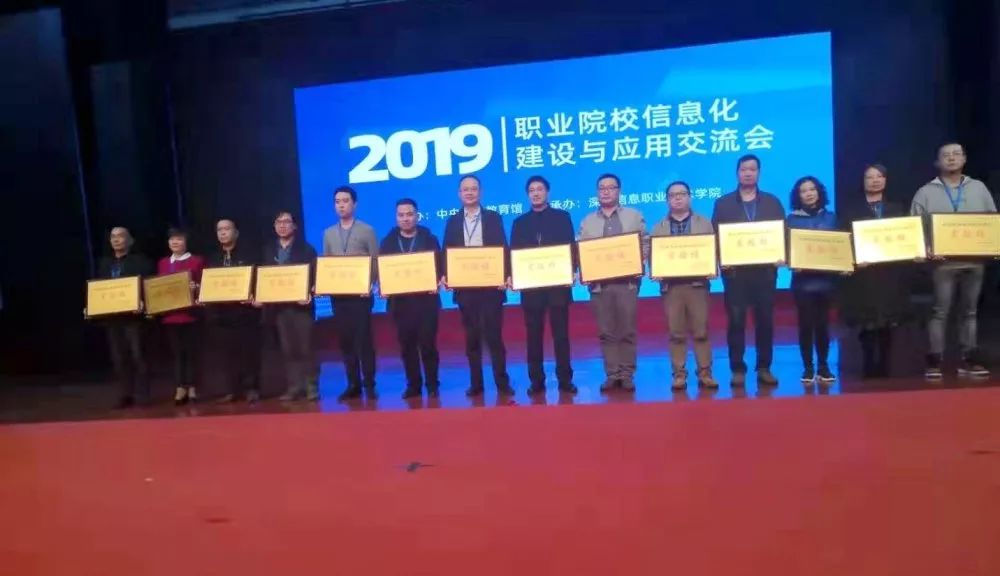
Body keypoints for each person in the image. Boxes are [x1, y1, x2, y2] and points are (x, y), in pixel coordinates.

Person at [911, 142, 996, 379]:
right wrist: (927, 249)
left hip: (974, 261)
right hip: (942, 263)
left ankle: (969, 359)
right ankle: (934, 360)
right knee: (940, 311)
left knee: (969, 312)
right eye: (946, 155)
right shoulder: (925, 191)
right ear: (937, 162)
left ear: (964, 159)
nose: (951, 158)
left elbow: (992, 221)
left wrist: (993, 246)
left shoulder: (979, 188)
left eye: (956, 154)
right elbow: (913, 228)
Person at [711, 154, 785, 387]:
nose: (748, 173)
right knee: (736, 322)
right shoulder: (723, 203)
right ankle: (737, 368)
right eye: (744, 169)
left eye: (752, 169)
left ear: (759, 173)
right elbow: (715, 237)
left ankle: (764, 367)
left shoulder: (772, 202)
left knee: (765, 321)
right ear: (737, 173)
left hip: (765, 273)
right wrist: (721, 260)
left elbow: (782, 234)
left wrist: (782, 254)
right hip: (735, 274)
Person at [442, 174, 514, 397]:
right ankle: (476, 384)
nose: (470, 192)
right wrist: (447, 276)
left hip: (491, 288)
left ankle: (502, 382)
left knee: (494, 337)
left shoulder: (493, 217)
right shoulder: (453, 221)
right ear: (459, 194)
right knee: (471, 338)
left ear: (480, 192)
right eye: (465, 189)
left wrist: (506, 275)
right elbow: (447, 252)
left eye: (474, 188)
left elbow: (503, 248)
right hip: (466, 290)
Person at [839, 164, 911, 378]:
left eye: (879, 176)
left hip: (890, 273)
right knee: (867, 322)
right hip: (864, 275)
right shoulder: (851, 211)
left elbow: (908, 238)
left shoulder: (897, 209)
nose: (875, 180)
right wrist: (852, 261)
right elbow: (844, 240)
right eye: (869, 177)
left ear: (886, 180)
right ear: (863, 182)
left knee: (888, 321)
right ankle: (868, 363)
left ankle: (886, 364)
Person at [578, 173, 647, 392]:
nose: (606, 191)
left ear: (619, 191)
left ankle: (627, 374)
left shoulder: (634, 216)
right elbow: (580, 251)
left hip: (627, 284)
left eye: (611, 187)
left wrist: (639, 260)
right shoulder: (588, 221)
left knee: (627, 330)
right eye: (602, 188)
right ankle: (612, 374)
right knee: (606, 332)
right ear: (597, 192)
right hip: (600, 287)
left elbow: (645, 243)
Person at [510, 175, 577, 395]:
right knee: (533, 336)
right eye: (532, 190)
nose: (536, 193)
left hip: (558, 287)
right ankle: (536, 381)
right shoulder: (520, 223)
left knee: (561, 336)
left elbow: (571, 247)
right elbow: (514, 254)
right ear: (527, 195)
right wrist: (513, 275)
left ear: (547, 192)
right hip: (531, 289)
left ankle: (565, 380)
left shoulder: (562, 217)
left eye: (540, 189)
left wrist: (573, 269)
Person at [650, 181, 718, 390]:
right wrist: (655, 269)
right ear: (667, 200)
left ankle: (705, 373)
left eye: (682, 194)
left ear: (690, 197)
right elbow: (653, 256)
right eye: (672, 195)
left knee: (701, 331)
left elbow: (713, 250)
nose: (677, 198)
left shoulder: (704, 223)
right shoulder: (659, 227)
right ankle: (679, 374)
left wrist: (711, 266)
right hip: (672, 288)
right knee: (676, 333)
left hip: (697, 285)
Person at [379, 198, 442, 399]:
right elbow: (383, 270)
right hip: (400, 305)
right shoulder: (387, 242)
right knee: (407, 347)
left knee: (428, 345)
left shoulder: (429, 239)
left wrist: (438, 280)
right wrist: (383, 286)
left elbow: (439, 266)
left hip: (426, 304)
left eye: (409, 214)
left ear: (417, 216)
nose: (405, 218)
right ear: (396, 217)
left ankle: (432, 384)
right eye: (401, 215)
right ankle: (413, 384)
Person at [322, 185, 379, 401]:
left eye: (345, 201)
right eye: (337, 202)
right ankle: (353, 384)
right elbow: (327, 263)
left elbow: (375, 260)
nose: (341, 205)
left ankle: (369, 383)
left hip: (361, 297)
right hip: (339, 297)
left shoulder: (367, 230)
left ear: (354, 204)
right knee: (346, 341)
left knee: (364, 340)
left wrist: (371, 284)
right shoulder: (328, 233)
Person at [786, 177, 839, 385]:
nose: (808, 193)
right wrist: (791, 261)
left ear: (819, 192)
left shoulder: (831, 218)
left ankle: (824, 366)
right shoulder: (791, 220)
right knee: (806, 325)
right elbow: (786, 249)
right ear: (798, 196)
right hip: (802, 282)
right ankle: (808, 367)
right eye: (804, 191)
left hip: (826, 281)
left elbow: (840, 247)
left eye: (812, 189)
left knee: (823, 325)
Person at [261, 211, 319, 401]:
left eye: (286, 222)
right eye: (278, 222)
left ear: (294, 226)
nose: (282, 225)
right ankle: (294, 387)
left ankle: (311, 387)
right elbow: (264, 277)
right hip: (279, 308)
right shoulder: (269, 249)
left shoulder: (307, 249)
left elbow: (315, 276)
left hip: (301, 307)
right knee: (288, 349)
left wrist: (309, 292)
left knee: (306, 347)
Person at [93, 226, 153, 408]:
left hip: (134, 318)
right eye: (113, 236)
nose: (116, 239)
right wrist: (93, 305)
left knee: (138, 356)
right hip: (113, 318)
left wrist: (143, 301)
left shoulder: (140, 261)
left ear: (130, 241)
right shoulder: (105, 263)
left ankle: (143, 395)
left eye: (120, 236)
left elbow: (148, 286)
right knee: (119, 359)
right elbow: (99, 288)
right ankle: (126, 394)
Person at [204, 219, 262, 404]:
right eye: (219, 230)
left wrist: (254, 295)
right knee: (227, 355)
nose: (223, 232)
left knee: (249, 353)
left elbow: (258, 279)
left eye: (227, 229)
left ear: (236, 232)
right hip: (222, 314)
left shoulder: (249, 255)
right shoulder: (213, 258)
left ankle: (251, 388)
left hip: (245, 313)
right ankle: (232, 390)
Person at [156, 227, 205, 405]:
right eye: (172, 239)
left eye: (179, 239)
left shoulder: (197, 261)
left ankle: (192, 387)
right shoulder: (163, 263)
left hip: (191, 315)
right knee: (177, 354)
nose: (175, 242)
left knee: (191, 353)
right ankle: (180, 387)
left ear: (186, 242)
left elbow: (205, 285)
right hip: (171, 317)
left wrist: (196, 288)